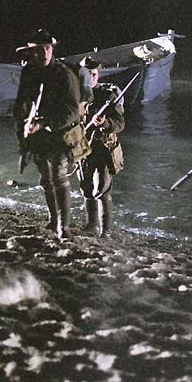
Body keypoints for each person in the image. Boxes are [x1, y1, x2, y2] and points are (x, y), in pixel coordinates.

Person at [13, 29, 83, 240]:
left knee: (58, 177)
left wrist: (45, 123)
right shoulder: (29, 72)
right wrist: (22, 125)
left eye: (47, 48)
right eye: (39, 49)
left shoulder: (64, 74)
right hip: (37, 135)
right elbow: (21, 100)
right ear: (32, 52)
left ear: (52, 49)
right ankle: (54, 220)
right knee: (45, 178)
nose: (44, 53)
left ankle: (64, 227)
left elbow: (72, 111)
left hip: (60, 133)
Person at [77, 58, 125, 237]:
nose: (91, 78)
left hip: (103, 149)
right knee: (86, 187)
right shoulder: (77, 95)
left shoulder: (108, 96)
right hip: (83, 148)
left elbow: (120, 124)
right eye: (87, 75)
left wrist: (105, 123)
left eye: (94, 75)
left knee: (102, 190)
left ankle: (106, 230)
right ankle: (91, 224)